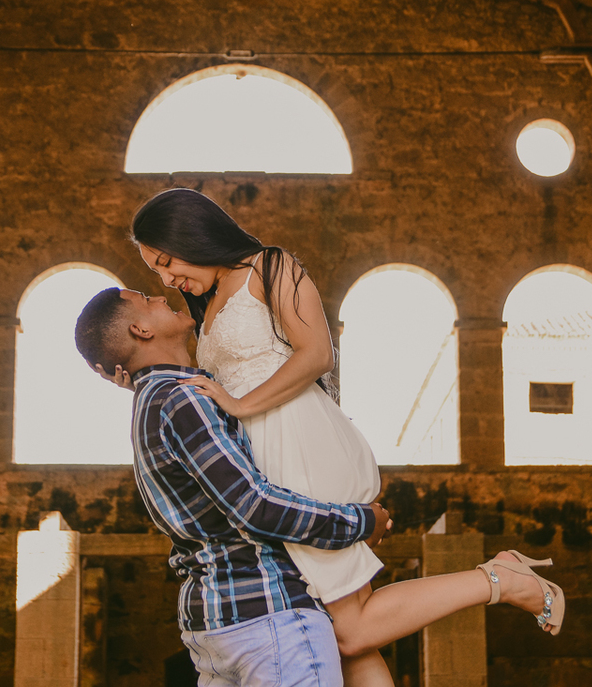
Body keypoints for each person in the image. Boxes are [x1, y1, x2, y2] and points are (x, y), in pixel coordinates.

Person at [101, 188, 566, 686]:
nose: (167, 279)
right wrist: (132, 372)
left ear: (191, 234)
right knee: (330, 628)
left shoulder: (272, 266)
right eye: (156, 273)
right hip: (263, 458)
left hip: (298, 446)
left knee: (350, 629)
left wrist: (240, 405)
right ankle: (501, 578)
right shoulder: (204, 304)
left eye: (167, 261)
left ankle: (500, 580)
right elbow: (195, 382)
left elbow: (317, 354)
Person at [75, 285, 391, 686]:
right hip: (268, 617)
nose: (159, 295)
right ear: (140, 329)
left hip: (215, 623)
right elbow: (255, 506)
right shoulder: (180, 400)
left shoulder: (155, 400)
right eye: (146, 299)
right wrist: (362, 522)